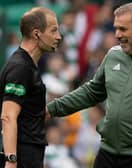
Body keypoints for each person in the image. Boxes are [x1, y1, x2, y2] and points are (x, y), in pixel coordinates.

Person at [45, 2, 132, 168]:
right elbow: (91, 92)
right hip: (107, 154)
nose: (116, 34)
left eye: (123, 29)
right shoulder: (113, 55)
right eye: (115, 28)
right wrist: (52, 109)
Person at [0, 7, 61, 168]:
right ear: (36, 33)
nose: (58, 37)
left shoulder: (28, 65)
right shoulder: (21, 67)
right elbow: (8, 117)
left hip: (30, 154)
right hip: (22, 156)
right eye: (54, 31)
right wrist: (11, 161)